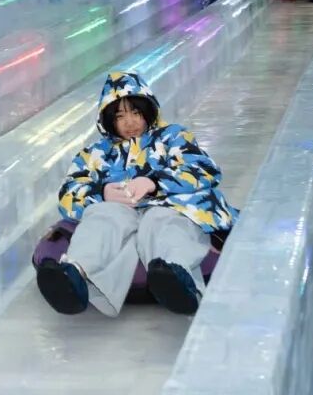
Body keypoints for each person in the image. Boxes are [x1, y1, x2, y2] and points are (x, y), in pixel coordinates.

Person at [37, 71, 237, 317]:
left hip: (168, 205)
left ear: (148, 110)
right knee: (102, 218)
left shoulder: (172, 137)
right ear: (108, 120)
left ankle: (174, 276)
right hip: (121, 210)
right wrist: (101, 193)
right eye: (119, 116)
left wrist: (154, 182)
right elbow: (69, 194)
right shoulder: (95, 154)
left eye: (135, 113)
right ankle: (74, 274)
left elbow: (204, 169)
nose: (129, 122)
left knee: (161, 221)